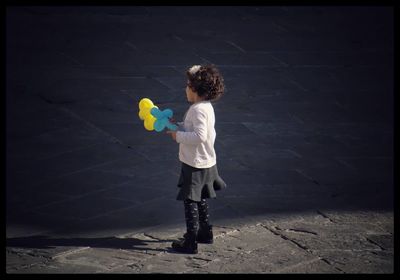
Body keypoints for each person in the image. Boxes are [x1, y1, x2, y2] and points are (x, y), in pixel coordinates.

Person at [166, 64, 227, 254]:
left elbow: (199, 136)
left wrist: (179, 137)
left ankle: (190, 241)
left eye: (187, 85)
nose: (185, 88)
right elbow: (197, 129)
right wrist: (180, 126)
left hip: (195, 163)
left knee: (190, 200)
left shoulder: (197, 109)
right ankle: (206, 233)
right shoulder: (205, 107)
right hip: (206, 161)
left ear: (195, 89)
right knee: (200, 197)